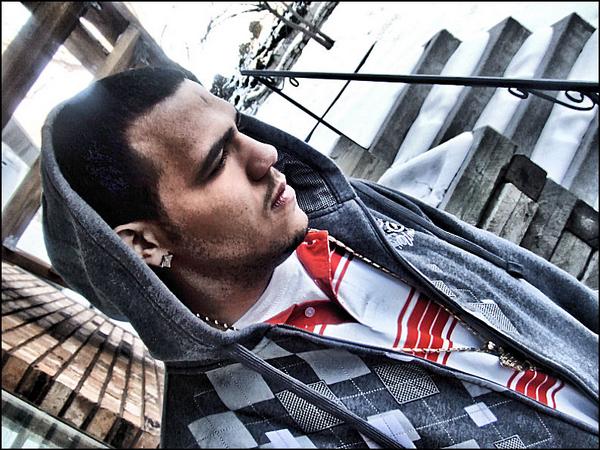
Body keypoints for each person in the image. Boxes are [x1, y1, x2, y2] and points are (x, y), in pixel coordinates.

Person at [41, 67, 598, 448]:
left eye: (239, 129)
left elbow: (536, 285)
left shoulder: (355, 214)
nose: (266, 153)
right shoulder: (222, 430)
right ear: (145, 244)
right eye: (217, 163)